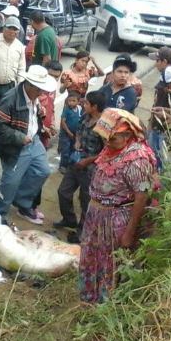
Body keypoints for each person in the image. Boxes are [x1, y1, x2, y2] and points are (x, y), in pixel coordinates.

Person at [79, 108, 160, 303]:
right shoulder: (114, 148)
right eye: (106, 139)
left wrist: (129, 232)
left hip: (115, 220)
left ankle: (106, 304)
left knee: (110, 262)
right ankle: (91, 297)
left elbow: (142, 197)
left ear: (128, 135)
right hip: (97, 216)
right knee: (93, 256)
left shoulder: (137, 160)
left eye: (112, 139)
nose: (107, 143)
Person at [0, 65, 56, 225]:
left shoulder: (34, 97)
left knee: (42, 171)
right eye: (39, 89)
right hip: (16, 147)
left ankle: (22, 203)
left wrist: (42, 127)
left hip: (33, 141)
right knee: (9, 182)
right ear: (30, 85)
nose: (42, 93)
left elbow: (33, 118)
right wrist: (19, 137)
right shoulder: (10, 99)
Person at [54, 91, 106, 239]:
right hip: (75, 162)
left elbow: (106, 152)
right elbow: (78, 131)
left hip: (90, 169)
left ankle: (82, 230)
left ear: (95, 107)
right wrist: (77, 141)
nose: (83, 104)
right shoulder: (85, 117)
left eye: (86, 103)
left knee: (85, 201)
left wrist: (88, 161)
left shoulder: (103, 126)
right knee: (63, 192)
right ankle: (69, 219)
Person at [0, 17, 26, 122]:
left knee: (5, 115)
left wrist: (20, 87)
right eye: (10, 28)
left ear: (18, 31)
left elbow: (21, 68)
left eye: (15, 29)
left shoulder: (20, 47)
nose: (12, 31)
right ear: (4, 28)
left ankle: (0, 137)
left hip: (9, 87)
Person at [58, 91, 83, 171]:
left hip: (74, 134)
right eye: (69, 101)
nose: (71, 103)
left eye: (73, 101)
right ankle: (63, 166)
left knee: (72, 149)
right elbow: (63, 122)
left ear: (78, 102)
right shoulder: (66, 109)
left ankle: (69, 164)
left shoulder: (79, 109)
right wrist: (68, 132)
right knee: (65, 150)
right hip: (66, 134)